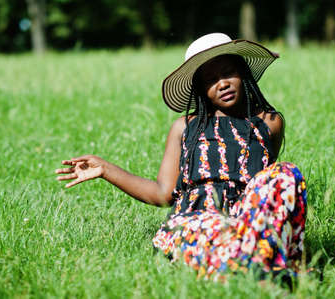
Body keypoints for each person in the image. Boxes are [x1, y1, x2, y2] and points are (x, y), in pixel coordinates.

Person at [55, 33, 307, 282]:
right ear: (200, 89)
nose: (222, 83)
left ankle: (268, 261)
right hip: (196, 220)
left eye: (228, 72)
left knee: (286, 172)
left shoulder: (269, 123)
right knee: (218, 235)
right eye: (210, 80)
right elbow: (162, 194)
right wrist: (105, 169)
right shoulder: (186, 127)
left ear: (243, 73)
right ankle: (251, 267)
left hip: (245, 221)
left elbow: (267, 192)